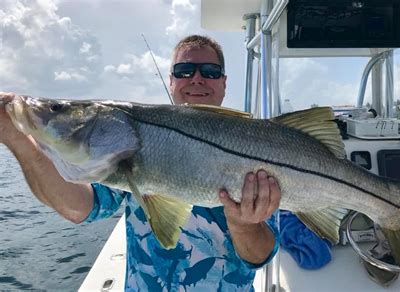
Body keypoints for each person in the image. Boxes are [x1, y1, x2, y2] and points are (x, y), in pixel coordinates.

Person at [0, 35, 281, 291]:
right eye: (184, 71)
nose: (196, 79)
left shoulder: (262, 148)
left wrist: (245, 225)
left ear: (223, 82)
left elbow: (261, 256)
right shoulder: (126, 145)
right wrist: (17, 138)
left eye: (209, 72)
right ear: (171, 81)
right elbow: (78, 208)